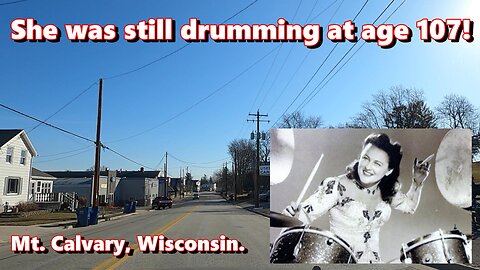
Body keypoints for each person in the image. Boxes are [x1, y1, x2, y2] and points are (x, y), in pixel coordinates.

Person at [283, 133, 431, 263]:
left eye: (377, 163)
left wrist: (417, 181)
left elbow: (409, 206)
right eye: (365, 158)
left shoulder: (388, 190)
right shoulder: (336, 186)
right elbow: (300, 217)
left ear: (388, 171)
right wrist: (292, 215)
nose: (367, 166)